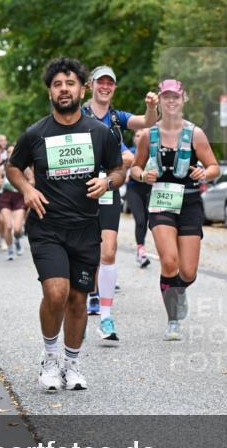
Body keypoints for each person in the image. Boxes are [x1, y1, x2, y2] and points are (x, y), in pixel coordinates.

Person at [7, 57, 123, 392]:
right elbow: (13, 167)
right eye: (57, 84)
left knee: (77, 299)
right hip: (47, 226)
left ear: (82, 89)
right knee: (56, 292)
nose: (64, 89)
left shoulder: (99, 133)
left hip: (86, 228)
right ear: (50, 92)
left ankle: (72, 364)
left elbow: (118, 169)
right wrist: (27, 189)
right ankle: (50, 358)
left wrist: (107, 183)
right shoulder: (36, 133)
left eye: (70, 83)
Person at [129, 79, 219, 341]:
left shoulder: (195, 134)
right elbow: (135, 167)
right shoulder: (149, 135)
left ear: (183, 99)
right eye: (166, 96)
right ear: (159, 100)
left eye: (175, 97)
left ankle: (178, 290)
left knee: (188, 272)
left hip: (189, 202)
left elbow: (214, 167)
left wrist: (204, 173)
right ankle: (173, 320)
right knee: (169, 261)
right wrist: (142, 175)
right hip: (161, 201)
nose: (171, 101)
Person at [81, 65, 159, 337]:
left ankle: (106, 317)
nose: (105, 87)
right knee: (86, 251)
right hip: (81, 190)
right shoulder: (78, 114)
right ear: (91, 85)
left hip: (110, 187)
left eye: (110, 83)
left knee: (108, 251)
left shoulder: (117, 117)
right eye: (100, 82)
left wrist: (151, 107)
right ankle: (86, 295)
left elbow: (147, 122)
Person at [0, 145, 31, 260]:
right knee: (8, 226)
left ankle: (17, 241)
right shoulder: (2, 168)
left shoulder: (24, 167)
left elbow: (32, 180)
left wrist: (25, 186)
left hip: (19, 197)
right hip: (5, 198)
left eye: (13, 151)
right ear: (6, 154)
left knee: (17, 229)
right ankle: (10, 249)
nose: (11, 154)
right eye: (9, 152)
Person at [124, 137, 153, 268]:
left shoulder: (153, 152)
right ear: (134, 138)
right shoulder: (130, 152)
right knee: (140, 220)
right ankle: (141, 252)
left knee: (146, 221)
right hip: (133, 189)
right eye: (137, 135)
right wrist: (126, 173)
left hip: (149, 189)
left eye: (143, 135)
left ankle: (141, 248)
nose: (140, 138)